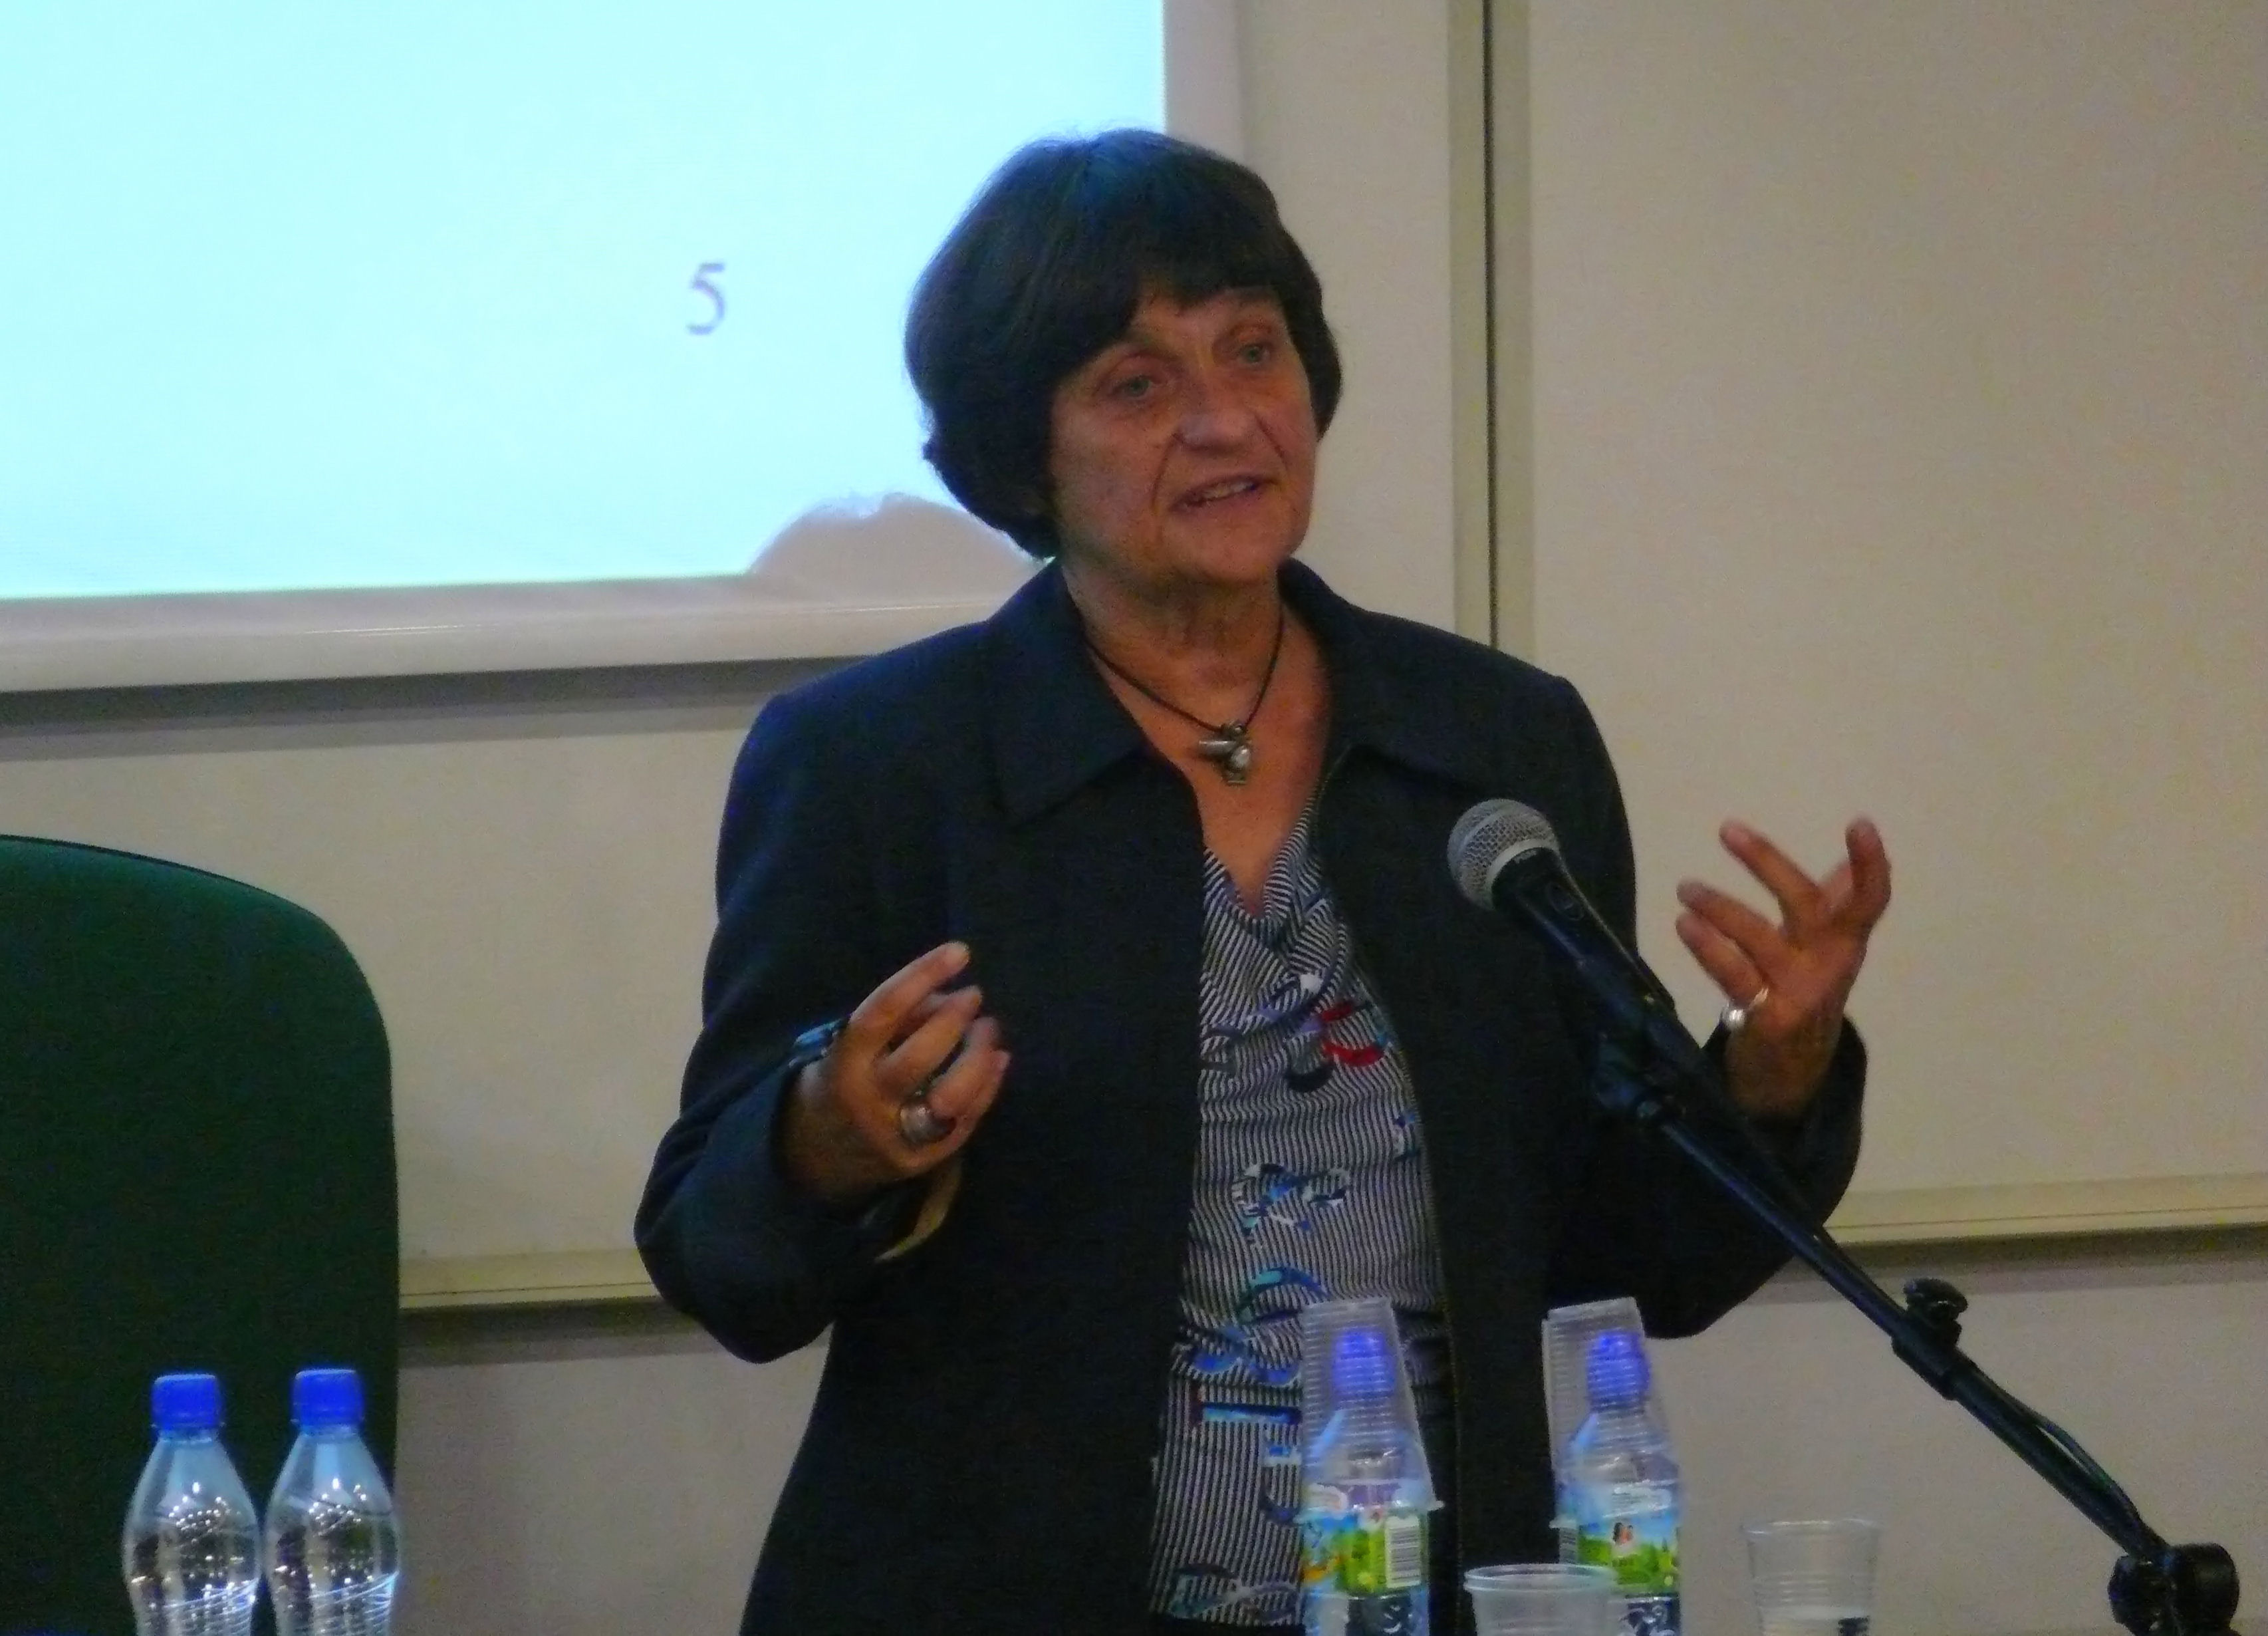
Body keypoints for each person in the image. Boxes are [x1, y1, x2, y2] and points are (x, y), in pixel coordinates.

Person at [636, 129, 1891, 1636]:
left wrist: (1768, 1076)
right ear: (1022, 452)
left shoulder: (1491, 745)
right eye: (1136, 385)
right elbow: (720, 1262)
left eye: (1254, 349)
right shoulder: (877, 766)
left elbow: (1627, 1262)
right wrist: (824, 1140)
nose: (1226, 419)